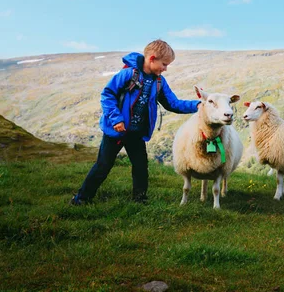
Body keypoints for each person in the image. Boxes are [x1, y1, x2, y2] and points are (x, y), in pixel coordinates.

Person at [70, 39, 200, 205]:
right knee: (103, 165)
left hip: (136, 133)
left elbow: (173, 103)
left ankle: (139, 200)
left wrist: (198, 105)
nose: (165, 69)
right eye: (164, 64)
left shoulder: (159, 81)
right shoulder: (128, 74)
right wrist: (116, 119)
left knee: (140, 167)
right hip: (116, 131)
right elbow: (107, 95)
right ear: (152, 58)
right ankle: (81, 199)